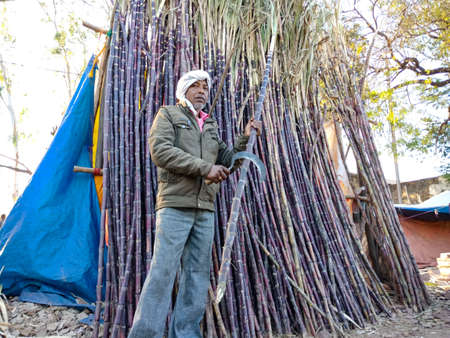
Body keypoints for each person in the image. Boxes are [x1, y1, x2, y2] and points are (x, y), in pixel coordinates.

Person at [128, 70, 261, 338]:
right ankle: (144, 335)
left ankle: (186, 333)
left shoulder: (209, 125)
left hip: (204, 209)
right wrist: (204, 168)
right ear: (184, 90)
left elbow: (227, 160)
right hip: (175, 205)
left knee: (197, 275)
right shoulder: (168, 115)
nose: (202, 91)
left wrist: (245, 139)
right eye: (196, 86)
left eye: (205, 87)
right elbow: (161, 151)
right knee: (163, 271)